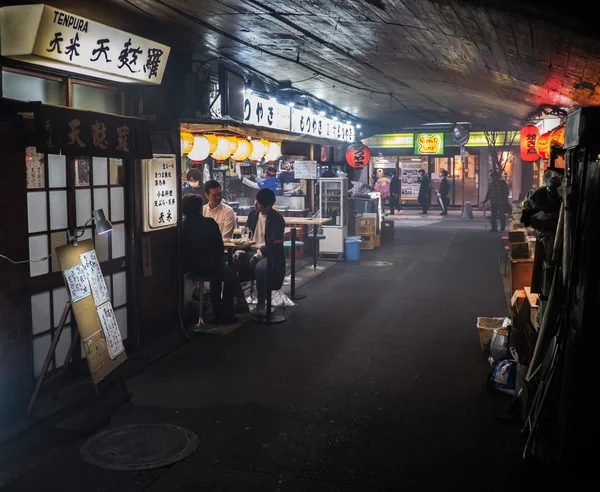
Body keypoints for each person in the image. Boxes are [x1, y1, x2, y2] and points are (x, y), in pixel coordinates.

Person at [181, 195, 247, 324]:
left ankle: (216, 312)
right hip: (210, 267)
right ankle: (228, 312)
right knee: (230, 276)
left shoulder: (182, 226)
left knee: (219, 275)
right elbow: (219, 247)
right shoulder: (209, 223)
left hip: (188, 269)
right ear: (200, 209)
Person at [232, 189, 285, 316]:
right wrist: (240, 250)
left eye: (258, 202)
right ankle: (240, 299)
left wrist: (257, 256)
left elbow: (272, 245)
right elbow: (247, 235)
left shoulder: (277, 220)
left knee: (261, 268)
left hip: (268, 253)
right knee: (231, 264)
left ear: (267, 205)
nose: (255, 203)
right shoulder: (253, 214)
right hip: (250, 249)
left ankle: (262, 302)